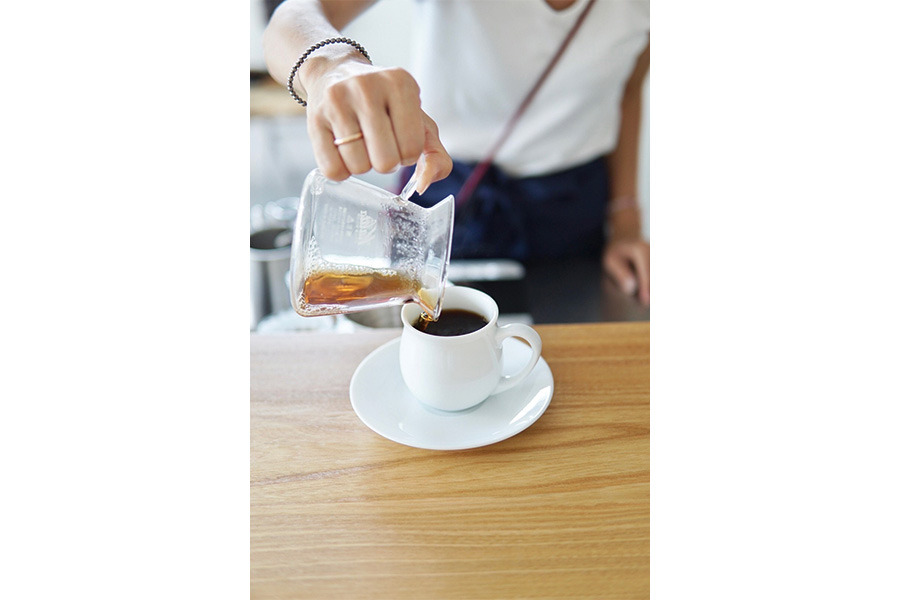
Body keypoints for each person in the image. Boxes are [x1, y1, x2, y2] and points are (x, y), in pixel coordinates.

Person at [263, 0, 650, 305]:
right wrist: (332, 65)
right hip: (444, 194)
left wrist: (626, 220)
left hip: (572, 207)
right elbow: (293, 15)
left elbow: (628, 88)